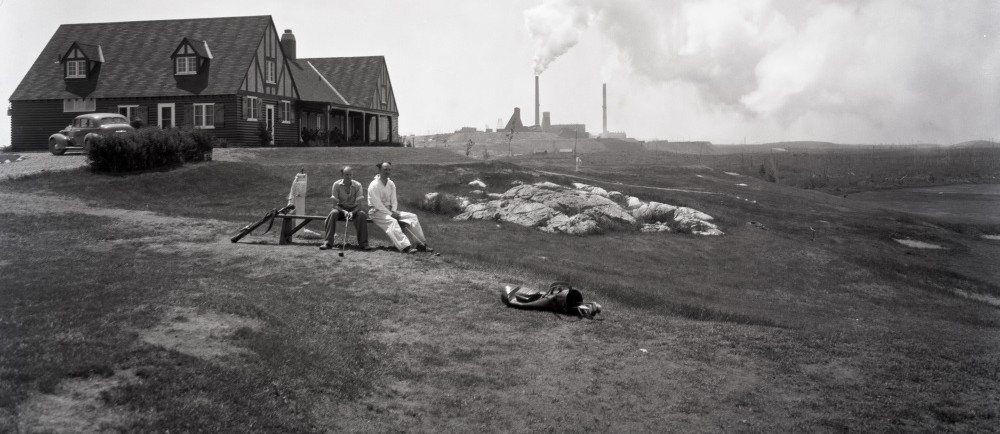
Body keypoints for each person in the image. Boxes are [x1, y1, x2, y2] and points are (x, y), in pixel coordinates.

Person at [367, 161, 433, 254]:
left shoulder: (391, 183)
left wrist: (393, 211)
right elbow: (377, 204)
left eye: (389, 170)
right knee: (392, 221)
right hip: (376, 212)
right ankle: (405, 246)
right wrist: (391, 214)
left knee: (412, 217)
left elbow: (394, 200)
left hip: (390, 210)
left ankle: (421, 244)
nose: (387, 172)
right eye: (385, 169)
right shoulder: (374, 185)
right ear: (379, 170)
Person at [320, 166, 371, 251]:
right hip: (340, 209)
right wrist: (343, 211)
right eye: (346, 175)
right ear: (342, 175)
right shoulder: (336, 185)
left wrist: (352, 212)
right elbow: (334, 205)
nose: (349, 177)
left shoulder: (358, 185)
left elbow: (359, 205)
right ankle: (327, 243)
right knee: (332, 214)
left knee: (362, 215)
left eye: (350, 175)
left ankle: (364, 244)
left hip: (354, 209)